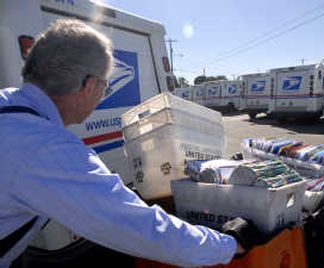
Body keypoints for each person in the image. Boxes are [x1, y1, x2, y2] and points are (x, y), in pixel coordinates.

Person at [0, 20, 261, 268]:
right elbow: (138, 229)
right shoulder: (43, 146)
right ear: (89, 85)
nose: (103, 95)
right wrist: (229, 244)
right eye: (106, 87)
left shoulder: (9, 106)